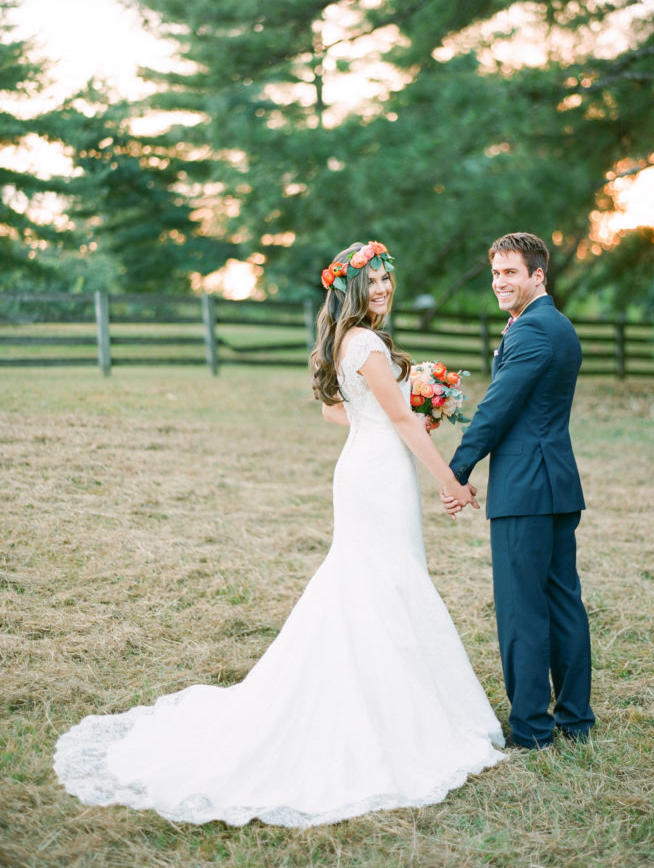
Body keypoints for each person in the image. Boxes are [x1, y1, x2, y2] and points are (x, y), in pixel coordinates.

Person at [54, 239, 506, 829]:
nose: (383, 290)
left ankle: (380, 699)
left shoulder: (347, 340)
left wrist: (402, 410)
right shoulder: (366, 342)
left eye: (386, 282)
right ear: (350, 288)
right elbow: (395, 419)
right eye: (371, 283)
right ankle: (384, 714)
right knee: (383, 579)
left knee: (373, 579)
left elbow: (338, 411)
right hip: (376, 475)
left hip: (368, 468)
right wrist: (450, 480)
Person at [441, 232, 595, 750]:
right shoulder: (558, 325)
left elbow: (497, 409)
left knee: (521, 609)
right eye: (494, 273)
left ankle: (531, 727)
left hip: (525, 488)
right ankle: (575, 719)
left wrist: (456, 470)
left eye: (510, 273)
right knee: (561, 601)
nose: (498, 282)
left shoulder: (532, 331)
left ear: (537, 275)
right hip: (554, 484)